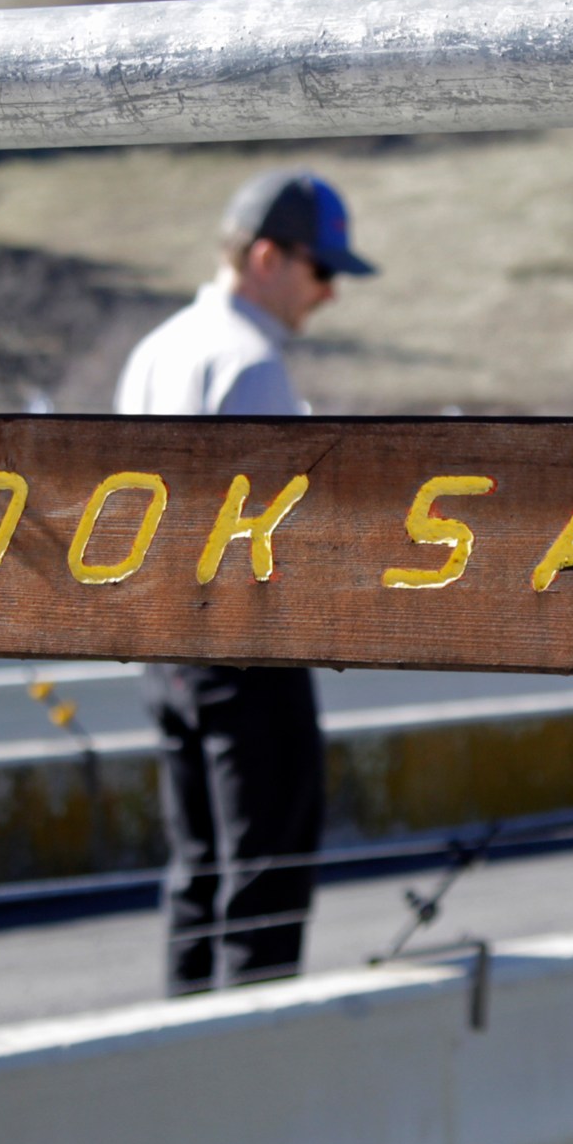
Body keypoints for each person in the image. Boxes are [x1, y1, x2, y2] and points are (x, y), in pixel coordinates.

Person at [115, 168, 377, 995]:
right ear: (267, 256)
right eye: (322, 270)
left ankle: (181, 1053)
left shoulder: (156, 349)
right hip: (246, 649)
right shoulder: (248, 365)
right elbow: (282, 539)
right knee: (265, 882)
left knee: (196, 875)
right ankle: (249, 1066)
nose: (330, 293)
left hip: (167, 650)